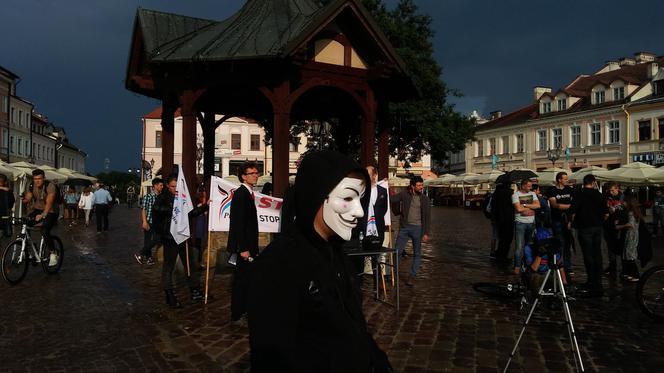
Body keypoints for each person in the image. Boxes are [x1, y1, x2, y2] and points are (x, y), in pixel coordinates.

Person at [247, 150, 391, 372]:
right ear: (316, 196)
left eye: (360, 199)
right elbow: (272, 355)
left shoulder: (337, 254)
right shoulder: (278, 264)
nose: (359, 212)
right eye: (347, 198)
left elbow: (355, 330)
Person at [152, 176, 205, 308]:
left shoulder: (183, 198)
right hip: (170, 238)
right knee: (168, 267)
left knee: (190, 264)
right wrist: (174, 210)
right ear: (167, 186)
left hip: (183, 236)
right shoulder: (162, 197)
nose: (175, 189)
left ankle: (194, 290)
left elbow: (191, 214)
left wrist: (205, 207)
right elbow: (157, 209)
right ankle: (169, 294)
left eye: (177, 186)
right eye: (172, 186)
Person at [227, 161, 260, 323]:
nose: (255, 175)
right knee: (241, 281)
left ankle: (244, 310)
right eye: (251, 173)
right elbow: (238, 224)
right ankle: (238, 313)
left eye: (256, 172)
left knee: (247, 280)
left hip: (248, 246)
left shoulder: (247, 193)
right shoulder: (241, 194)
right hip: (244, 248)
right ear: (243, 176)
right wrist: (243, 248)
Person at [569, 175, 608, 297]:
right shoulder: (599, 195)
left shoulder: (579, 193)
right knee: (597, 254)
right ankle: (598, 282)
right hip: (597, 227)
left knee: (588, 255)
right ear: (594, 182)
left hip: (584, 227)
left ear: (584, 182)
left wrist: (571, 221)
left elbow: (572, 210)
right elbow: (606, 212)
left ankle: (591, 281)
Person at [391, 175, 431, 286]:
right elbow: (392, 199)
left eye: (422, 185)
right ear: (412, 186)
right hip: (405, 228)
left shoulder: (425, 199)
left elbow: (427, 217)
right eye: (419, 185)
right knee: (397, 252)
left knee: (417, 254)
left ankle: (412, 276)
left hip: (418, 229)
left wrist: (426, 233)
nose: (421, 187)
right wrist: (386, 188)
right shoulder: (404, 194)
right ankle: (394, 274)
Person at [22, 169, 59, 266]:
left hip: (51, 211)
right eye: (35, 179)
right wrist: (25, 199)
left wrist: (43, 215)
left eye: (39, 179)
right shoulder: (31, 185)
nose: (37, 181)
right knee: (25, 224)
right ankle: (31, 248)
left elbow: (50, 202)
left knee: (44, 229)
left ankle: (53, 252)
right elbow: (29, 196)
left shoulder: (50, 186)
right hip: (37, 210)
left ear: (44, 178)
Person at [546, 172, 574, 275]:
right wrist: (569, 206)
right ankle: (558, 264)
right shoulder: (552, 190)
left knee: (568, 244)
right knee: (559, 243)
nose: (567, 180)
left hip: (568, 220)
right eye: (565, 179)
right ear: (559, 180)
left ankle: (568, 265)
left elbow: (574, 203)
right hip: (557, 220)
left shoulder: (570, 190)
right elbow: (554, 205)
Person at [511, 179, 540, 275]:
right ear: (523, 186)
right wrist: (531, 206)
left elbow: (538, 205)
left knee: (529, 245)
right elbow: (518, 209)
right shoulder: (515, 195)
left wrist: (524, 204)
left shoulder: (533, 194)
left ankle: (528, 264)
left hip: (531, 223)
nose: (530, 188)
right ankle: (517, 266)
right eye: (528, 186)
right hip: (520, 223)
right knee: (519, 246)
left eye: (531, 186)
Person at [134, 178, 164, 266]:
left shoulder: (161, 197)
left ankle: (141, 253)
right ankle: (148, 258)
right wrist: (144, 221)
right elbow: (144, 209)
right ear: (155, 186)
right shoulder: (148, 196)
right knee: (147, 240)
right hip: (149, 221)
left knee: (156, 239)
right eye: (160, 185)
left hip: (158, 222)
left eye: (162, 185)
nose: (162, 187)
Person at [615, 195, 641, 282]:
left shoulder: (631, 212)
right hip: (633, 235)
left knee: (630, 255)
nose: (623, 203)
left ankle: (636, 275)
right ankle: (630, 274)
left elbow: (630, 224)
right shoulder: (636, 211)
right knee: (629, 254)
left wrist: (619, 226)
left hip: (630, 236)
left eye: (625, 202)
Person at [603, 182, 625, 277]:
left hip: (620, 226)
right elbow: (603, 208)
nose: (611, 192)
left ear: (617, 188)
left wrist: (618, 215)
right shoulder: (606, 196)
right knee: (610, 247)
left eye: (613, 190)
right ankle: (612, 266)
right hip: (608, 225)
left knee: (621, 247)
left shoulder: (623, 197)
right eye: (609, 190)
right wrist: (607, 211)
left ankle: (625, 267)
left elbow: (625, 210)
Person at [491, 181, 515, 262]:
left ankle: (499, 254)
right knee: (507, 238)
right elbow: (514, 204)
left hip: (498, 219)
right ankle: (503, 255)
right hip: (508, 218)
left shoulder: (496, 193)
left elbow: (493, 206)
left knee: (501, 238)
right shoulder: (509, 193)